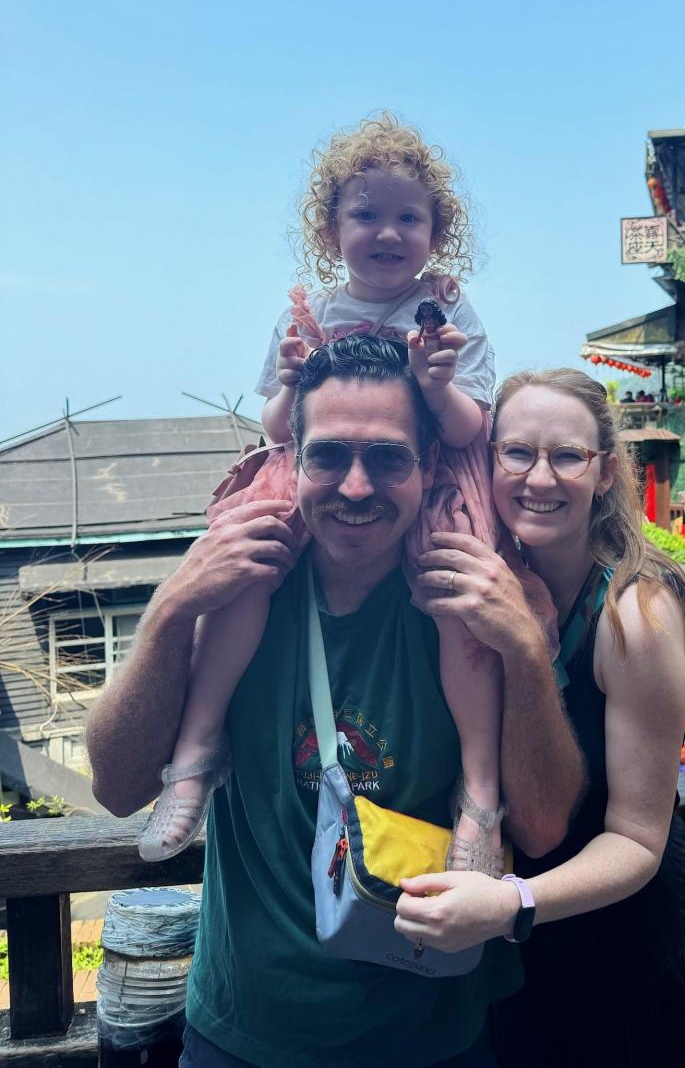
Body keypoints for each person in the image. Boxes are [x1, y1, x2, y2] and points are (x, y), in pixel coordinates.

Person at [87, 336, 584, 1068]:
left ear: (427, 467)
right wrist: (168, 611)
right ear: (293, 459)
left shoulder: (475, 600)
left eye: (386, 457)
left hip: (432, 1039)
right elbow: (119, 788)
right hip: (242, 1035)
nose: (356, 487)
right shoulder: (240, 586)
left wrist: (527, 654)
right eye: (329, 456)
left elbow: (541, 829)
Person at [138, 114, 535, 874]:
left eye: (408, 217)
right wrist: (290, 381)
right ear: (330, 228)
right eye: (367, 215)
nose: (388, 233)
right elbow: (278, 427)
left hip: (430, 472)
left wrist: (436, 383)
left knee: (460, 608)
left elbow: (465, 431)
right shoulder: (310, 313)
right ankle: (194, 753)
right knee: (244, 568)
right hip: (315, 464)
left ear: (436, 231)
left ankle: (480, 800)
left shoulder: (448, 310)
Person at [392, 368, 685, 1066]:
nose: (539, 477)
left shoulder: (636, 609)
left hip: (615, 947)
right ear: (489, 460)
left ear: (603, 473)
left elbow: (635, 839)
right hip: (511, 945)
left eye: (566, 456)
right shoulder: (497, 574)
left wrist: (511, 904)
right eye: (517, 453)